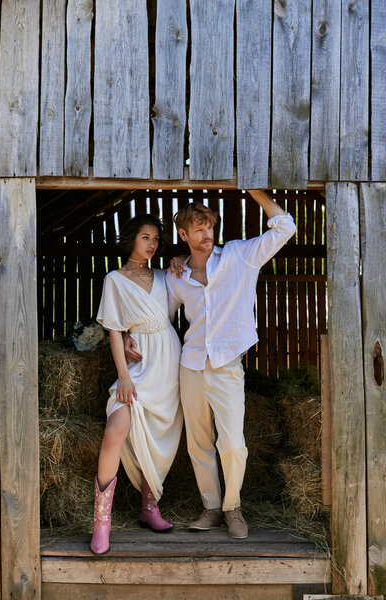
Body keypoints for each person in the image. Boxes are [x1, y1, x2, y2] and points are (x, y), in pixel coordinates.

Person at [125, 190, 296, 539]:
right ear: (183, 235)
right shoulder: (175, 276)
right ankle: (212, 508)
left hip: (226, 365)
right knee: (198, 443)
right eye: (198, 230)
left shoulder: (239, 256)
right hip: (190, 364)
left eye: (210, 228)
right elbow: (159, 313)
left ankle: (233, 507)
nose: (207, 235)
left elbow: (285, 227)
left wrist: (255, 191)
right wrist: (130, 333)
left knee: (233, 443)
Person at [90, 214, 183, 555]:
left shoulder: (165, 276)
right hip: (139, 365)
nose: (151, 243)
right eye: (145, 237)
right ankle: (101, 523)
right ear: (132, 239)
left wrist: (178, 261)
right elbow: (114, 330)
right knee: (116, 430)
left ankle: (149, 507)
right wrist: (124, 376)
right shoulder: (114, 279)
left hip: (168, 363)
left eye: (156, 239)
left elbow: (193, 283)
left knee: (156, 437)